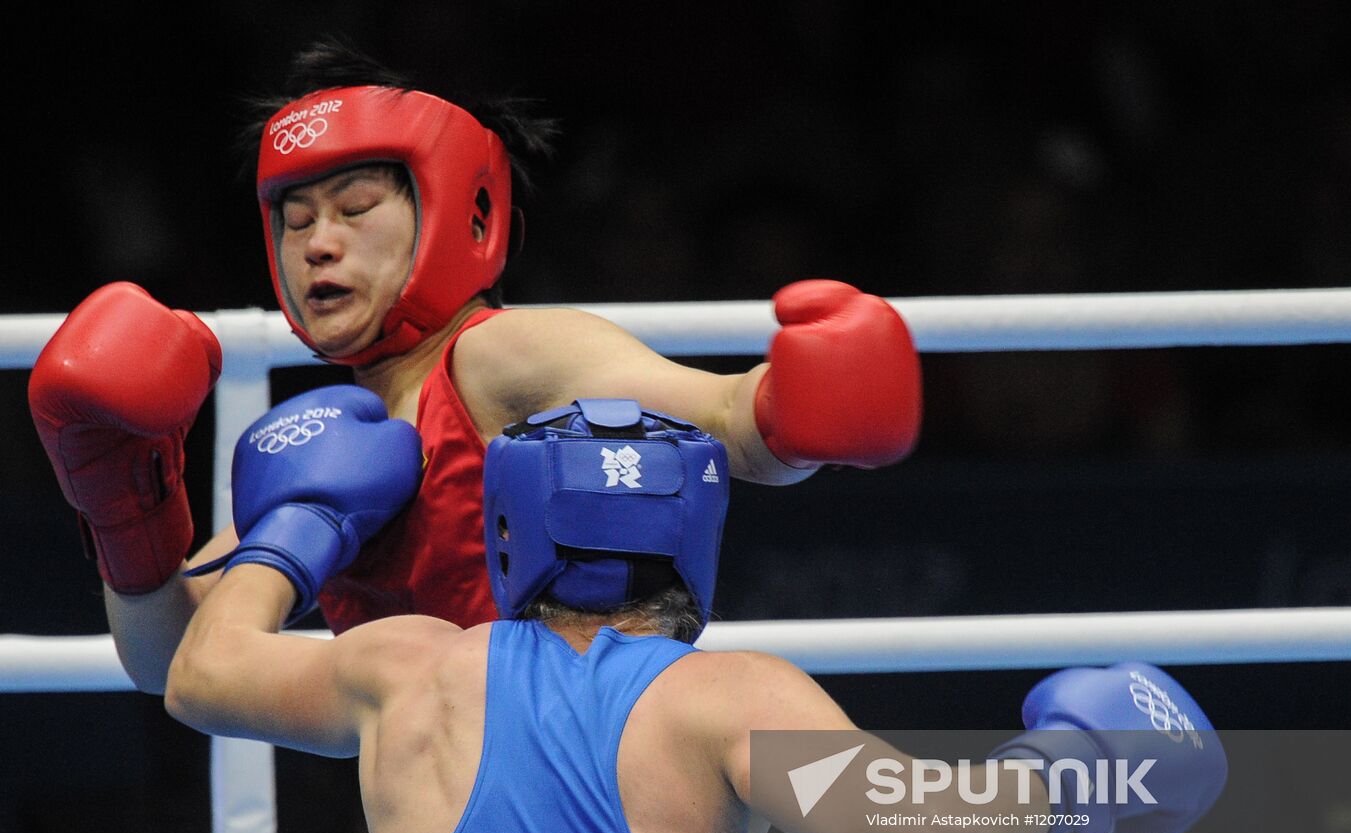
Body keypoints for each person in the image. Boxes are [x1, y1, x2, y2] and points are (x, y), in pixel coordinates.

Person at [27, 40, 924, 694]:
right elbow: (171, 664)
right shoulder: (330, 440)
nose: (319, 244)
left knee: (915, 825)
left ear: (466, 214)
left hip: (596, 781)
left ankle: (1051, 783)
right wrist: (127, 512)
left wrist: (794, 403)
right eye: (295, 222)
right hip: (430, 818)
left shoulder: (501, 356)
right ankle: (1046, 780)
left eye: (357, 207)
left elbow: (728, 422)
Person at [162, 388, 1227, 833]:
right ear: (696, 539)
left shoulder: (407, 671)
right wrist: (1075, 768)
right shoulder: (729, 702)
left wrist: (302, 526)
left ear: (505, 534)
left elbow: (203, 674)